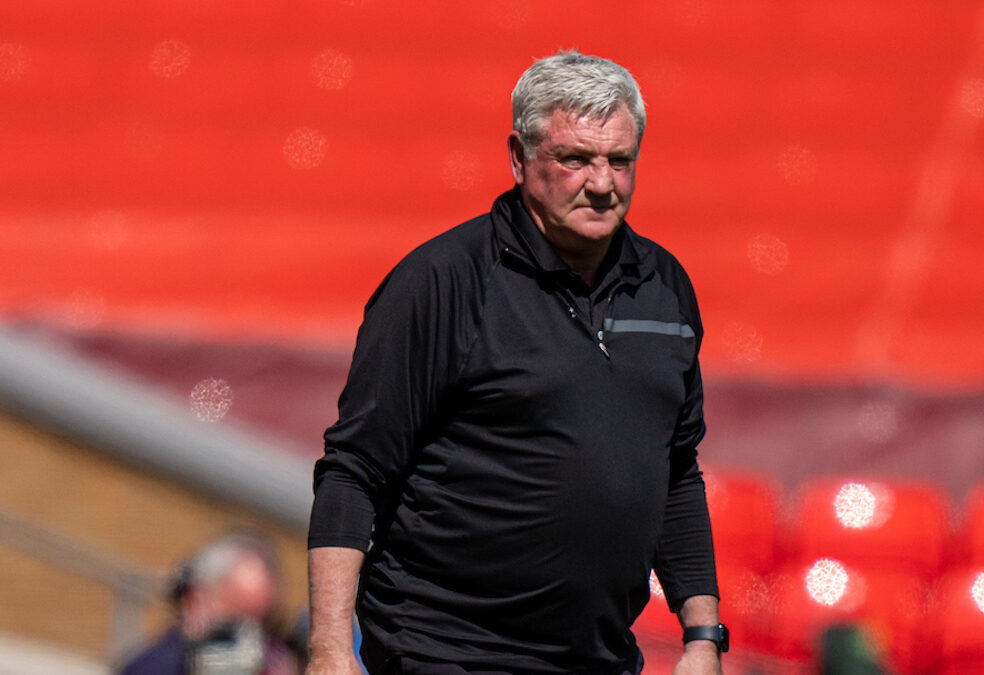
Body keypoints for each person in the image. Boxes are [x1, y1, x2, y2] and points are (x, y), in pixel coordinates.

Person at [306, 50, 725, 675]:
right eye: (575, 159)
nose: (603, 182)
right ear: (519, 157)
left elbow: (676, 472)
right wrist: (330, 648)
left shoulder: (666, 287)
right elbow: (354, 469)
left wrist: (702, 636)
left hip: (598, 658)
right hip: (444, 650)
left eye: (619, 160)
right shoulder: (442, 282)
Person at [119, 530, 297, 675]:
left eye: (263, 627)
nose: (252, 643)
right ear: (195, 600)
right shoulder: (153, 668)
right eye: (236, 623)